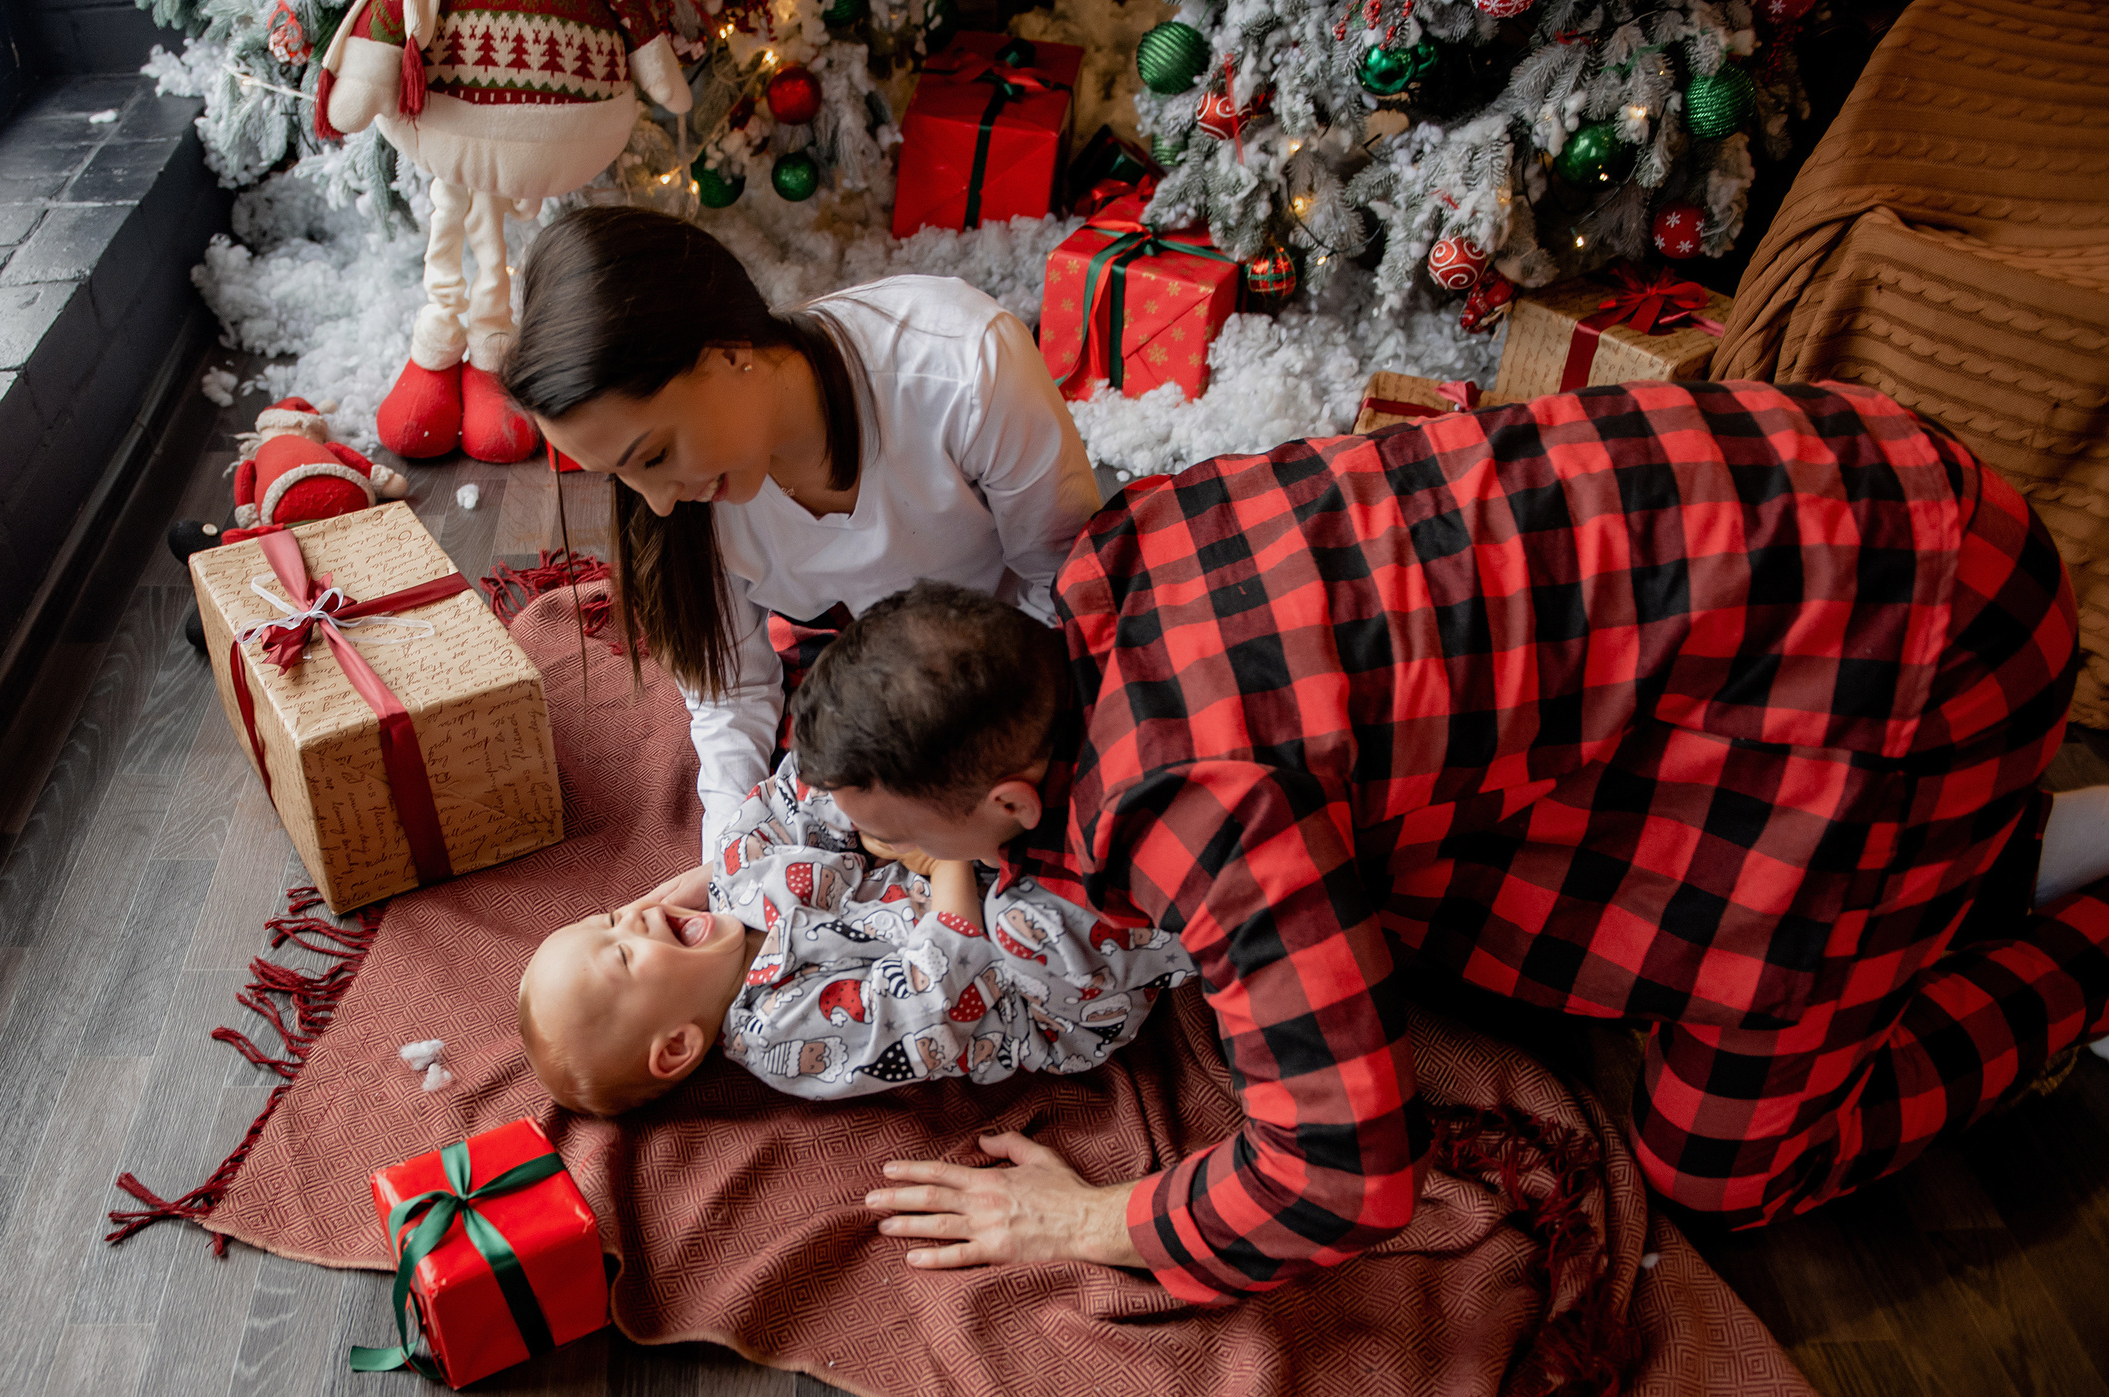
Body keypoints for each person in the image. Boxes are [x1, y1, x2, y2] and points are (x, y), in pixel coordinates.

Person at [796, 381, 2109, 1302]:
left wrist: (1097, 1219)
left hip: (1938, 634)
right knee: (1459, 916)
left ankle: (2077, 945)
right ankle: (2002, 849)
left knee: (1722, 1163)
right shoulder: (1114, 558)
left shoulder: (1201, 815)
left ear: (1017, 800)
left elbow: (1345, 1174)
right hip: (1845, 473)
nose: (918, 871)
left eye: (916, 848)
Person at [499, 206, 1104, 860]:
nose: (659, 502)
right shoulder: (686, 505)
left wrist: (947, 776)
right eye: (618, 475)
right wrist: (727, 866)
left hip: (1011, 674)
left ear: (730, 351)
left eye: (653, 456)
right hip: (876, 678)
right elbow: (729, 693)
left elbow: (1068, 590)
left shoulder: (964, 366)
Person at [517, 737, 1193, 1114]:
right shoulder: (781, 1034)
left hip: (961, 861)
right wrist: (946, 842)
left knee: (904, 746)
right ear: (676, 1047)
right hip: (1031, 991)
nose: (635, 917)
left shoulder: (736, 873)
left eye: (609, 916)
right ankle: (1197, 908)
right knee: (1040, 914)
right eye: (626, 956)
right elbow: (935, 988)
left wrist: (882, 811)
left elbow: (801, 792)